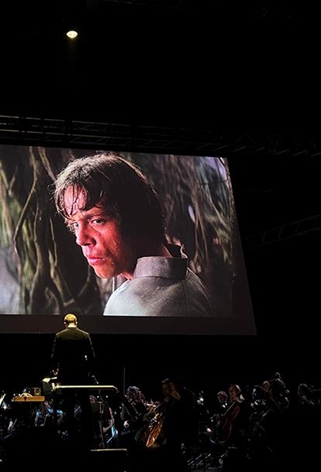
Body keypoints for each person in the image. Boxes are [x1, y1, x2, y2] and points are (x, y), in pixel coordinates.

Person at [53, 151, 216, 317]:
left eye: (98, 220)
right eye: (74, 224)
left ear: (136, 217)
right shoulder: (131, 272)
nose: (80, 239)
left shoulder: (169, 311)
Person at [50, 313, 97, 446]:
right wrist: (88, 371)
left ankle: (71, 435)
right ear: (76, 322)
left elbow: (54, 356)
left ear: (65, 323)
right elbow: (92, 357)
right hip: (81, 375)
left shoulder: (59, 336)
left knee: (68, 405)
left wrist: (55, 370)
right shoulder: (84, 335)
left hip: (66, 375)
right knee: (85, 404)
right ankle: (88, 434)